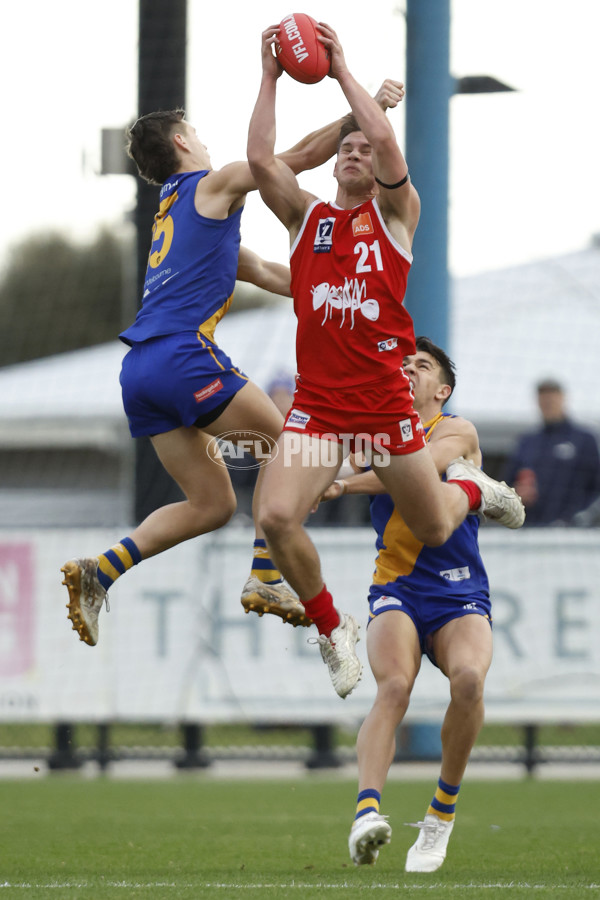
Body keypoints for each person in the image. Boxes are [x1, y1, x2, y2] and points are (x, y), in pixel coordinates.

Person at [246, 23, 524, 699]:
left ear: (380, 168)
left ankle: (472, 488)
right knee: (275, 519)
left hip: (382, 410)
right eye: (345, 146)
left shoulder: (397, 218)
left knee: (432, 525)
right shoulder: (307, 221)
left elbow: (387, 141)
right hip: (318, 410)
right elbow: (260, 163)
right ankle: (329, 627)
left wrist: (345, 74)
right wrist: (271, 75)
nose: (355, 151)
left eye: (366, 148)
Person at [60, 103, 364, 647]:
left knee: (214, 504)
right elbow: (289, 161)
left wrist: (351, 284)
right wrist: (362, 115)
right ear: (180, 142)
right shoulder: (212, 184)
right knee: (295, 451)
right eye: (196, 134)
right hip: (182, 357)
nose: (204, 142)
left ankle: (99, 572)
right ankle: (268, 577)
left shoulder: (176, 214)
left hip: (140, 372)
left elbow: (274, 274)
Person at [317, 337, 494, 871]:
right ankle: (366, 814)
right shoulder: (375, 434)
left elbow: (416, 466)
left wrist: (344, 485)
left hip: (459, 589)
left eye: (422, 365)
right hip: (397, 587)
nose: (409, 370)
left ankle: (440, 816)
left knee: (469, 682)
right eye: (404, 364)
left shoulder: (456, 431)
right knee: (393, 686)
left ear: (442, 389)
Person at [504, 378, 600, 526]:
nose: (547, 403)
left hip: (573, 534)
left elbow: (596, 489)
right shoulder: (527, 442)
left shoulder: (584, 440)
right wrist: (517, 495)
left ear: (562, 398)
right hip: (531, 531)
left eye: (551, 397)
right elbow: (507, 485)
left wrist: (578, 519)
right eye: (543, 398)